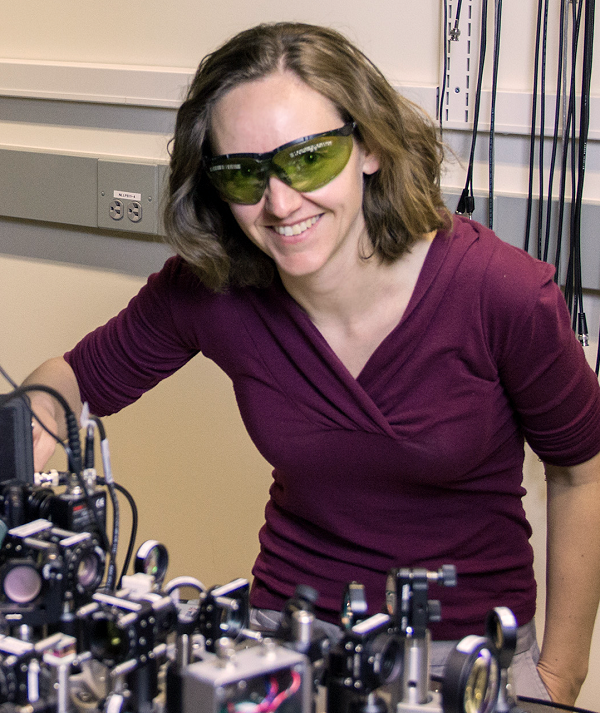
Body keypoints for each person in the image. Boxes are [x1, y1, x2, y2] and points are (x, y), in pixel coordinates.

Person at [22, 22, 600, 706]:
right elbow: (70, 379)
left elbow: (582, 473)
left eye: (308, 160)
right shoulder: (212, 290)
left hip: (464, 658)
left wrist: (559, 677)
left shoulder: (501, 292)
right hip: (282, 639)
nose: (281, 203)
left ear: (370, 147)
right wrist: (35, 420)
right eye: (243, 174)